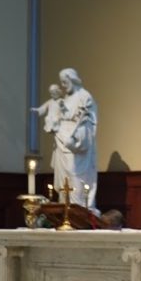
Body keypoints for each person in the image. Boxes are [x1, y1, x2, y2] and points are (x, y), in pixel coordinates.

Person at [41, 68, 98, 209]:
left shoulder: (84, 96)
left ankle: (79, 209)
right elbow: (58, 116)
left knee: (75, 177)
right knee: (64, 179)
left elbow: (89, 121)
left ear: (72, 79)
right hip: (62, 143)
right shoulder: (65, 99)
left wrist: (76, 138)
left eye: (65, 82)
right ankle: (66, 210)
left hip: (76, 145)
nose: (63, 85)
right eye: (61, 82)